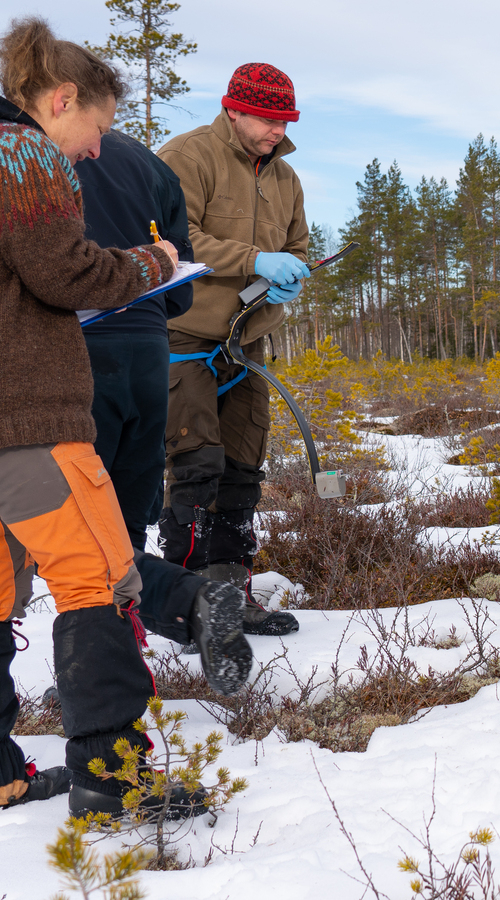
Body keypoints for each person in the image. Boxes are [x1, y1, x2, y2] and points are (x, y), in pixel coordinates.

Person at [0, 18, 180, 819]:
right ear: (61, 101)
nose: (94, 150)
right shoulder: (21, 154)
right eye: (96, 128)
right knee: (97, 577)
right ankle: (114, 782)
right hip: (19, 417)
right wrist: (155, 263)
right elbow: (66, 273)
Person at [74, 130, 253, 694]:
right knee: (123, 517)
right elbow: (182, 282)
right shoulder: (151, 164)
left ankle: (119, 667)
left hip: (76, 349)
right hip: (151, 349)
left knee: (76, 530)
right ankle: (154, 634)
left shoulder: (34, 155)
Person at [156, 63, 308, 634]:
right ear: (234, 109)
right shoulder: (186, 157)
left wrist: (288, 270)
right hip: (186, 338)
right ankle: (187, 607)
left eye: (286, 120)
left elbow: (295, 242)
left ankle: (230, 600)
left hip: (250, 342)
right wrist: (253, 261)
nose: (279, 130)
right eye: (269, 118)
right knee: (196, 467)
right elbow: (176, 240)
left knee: (242, 469)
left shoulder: (286, 177)